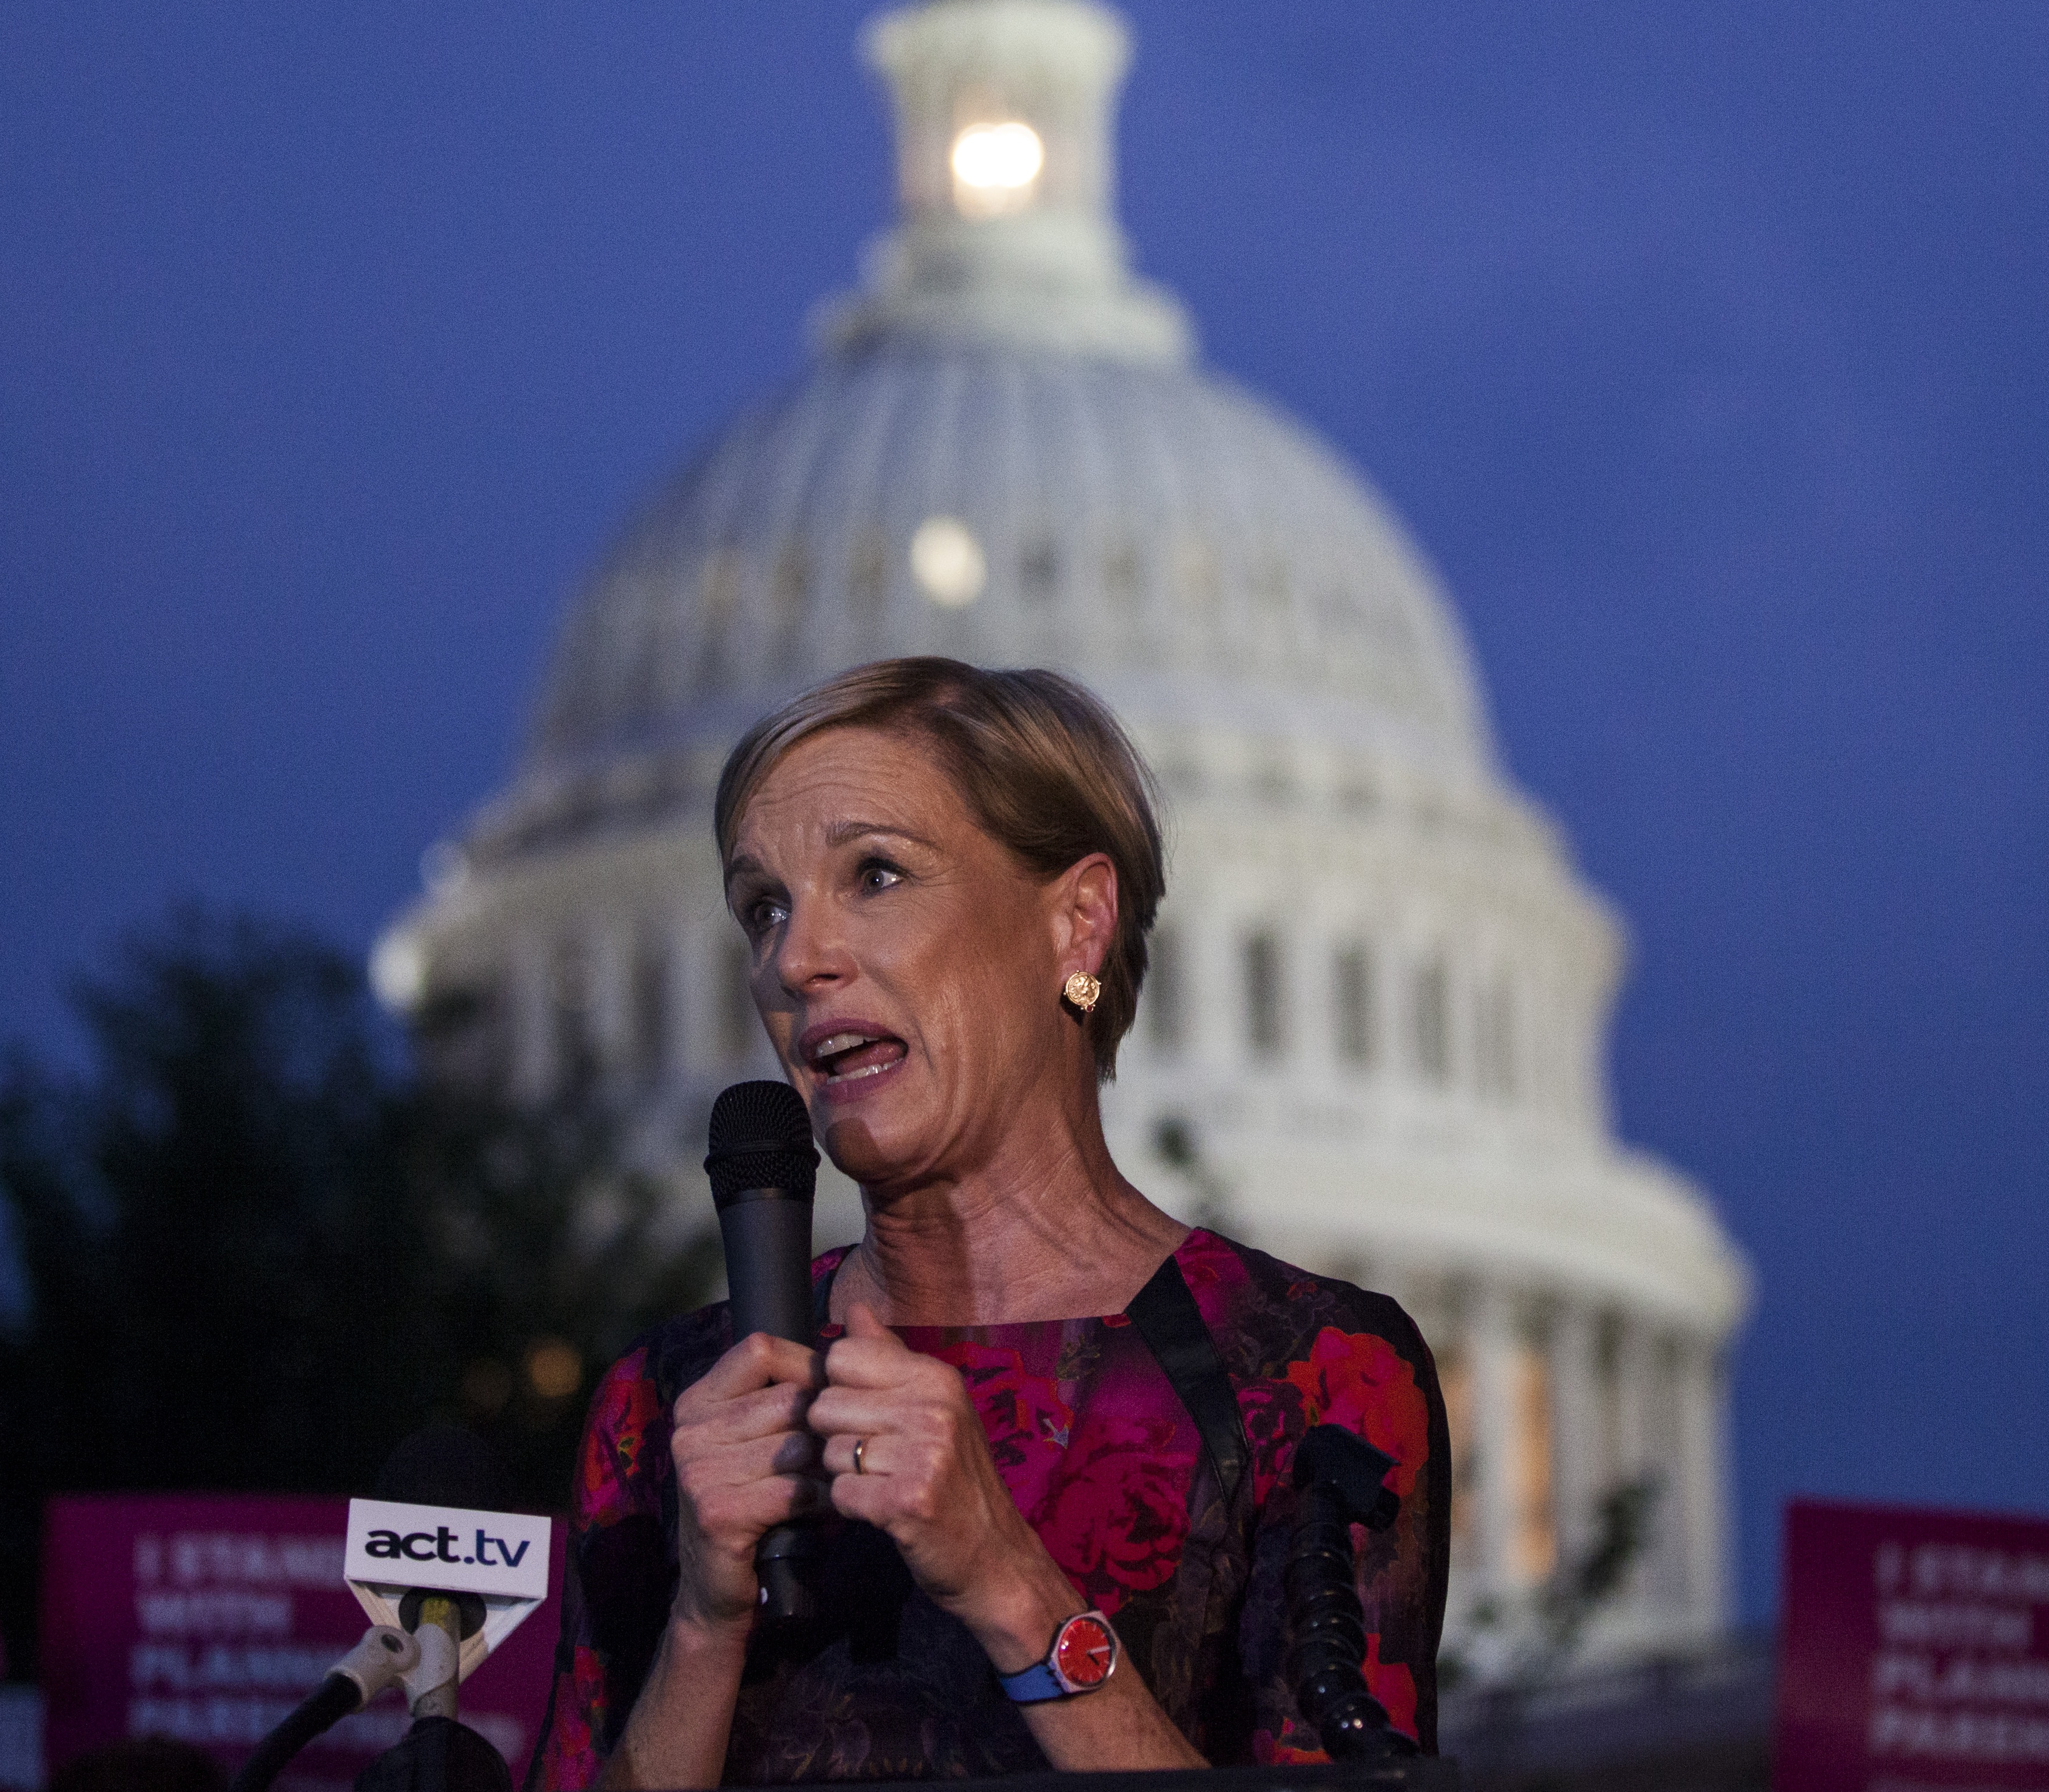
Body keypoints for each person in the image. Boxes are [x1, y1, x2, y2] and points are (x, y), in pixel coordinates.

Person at [528, 659, 1450, 1787]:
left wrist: (1009, 1582)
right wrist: (703, 1627)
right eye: (763, 906)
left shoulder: (1314, 1374)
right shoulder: (668, 1400)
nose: (795, 958)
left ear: (1075, 922)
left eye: (874, 873)